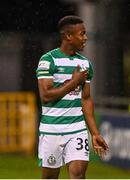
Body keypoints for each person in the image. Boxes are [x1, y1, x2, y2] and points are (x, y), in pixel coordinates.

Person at [36, 15, 108, 179]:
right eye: (82, 34)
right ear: (68, 36)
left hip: (77, 129)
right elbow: (46, 96)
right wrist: (73, 82)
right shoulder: (48, 60)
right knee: (50, 177)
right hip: (51, 130)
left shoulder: (84, 64)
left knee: (78, 174)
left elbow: (86, 99)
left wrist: (95, 134)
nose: (86, 38)